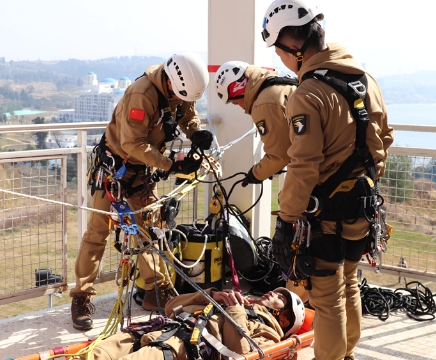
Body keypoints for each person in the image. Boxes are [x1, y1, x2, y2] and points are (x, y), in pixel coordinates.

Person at [262, 1, 394, 359]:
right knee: (349, 281)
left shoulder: (308, 95)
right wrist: (362, 184)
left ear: (294, 48)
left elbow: (303, 165)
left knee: (327, 296)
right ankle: (347, 352)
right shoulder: (365, 80)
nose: (280, 59)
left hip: (326, 216)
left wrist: (286, 221)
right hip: (363, 208)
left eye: (279, 51)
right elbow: (383, 138)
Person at [70, 52, 213, 330]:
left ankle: (155, 291)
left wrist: (195, 132)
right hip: (116, 171)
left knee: (148, 231)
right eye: (181, 97)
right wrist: (170, 165)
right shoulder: (142, 95)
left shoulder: (182, 87)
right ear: (171, 82)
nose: (183, 102)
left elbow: (188, 115)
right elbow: (132, 143)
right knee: (98, 232)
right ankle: (81, 296)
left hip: (143, 171)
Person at [90, 287, 305, 360]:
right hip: (159, 330)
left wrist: (235, 311)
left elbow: (240, 353)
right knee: (94, 354)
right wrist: (209, 296)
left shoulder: (269, 332)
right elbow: (170, 306)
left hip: (177, 347)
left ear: (284, 319)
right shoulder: (237, 302)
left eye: (281, 298)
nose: (273, 293)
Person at [213, 61, 297, 186]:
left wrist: (256, 174)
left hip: (324, 164)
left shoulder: (263, 103)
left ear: (238, 89)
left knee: (289, 202)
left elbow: (279, 154)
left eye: (236, 103)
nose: (241, 108)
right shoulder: (278, 85)